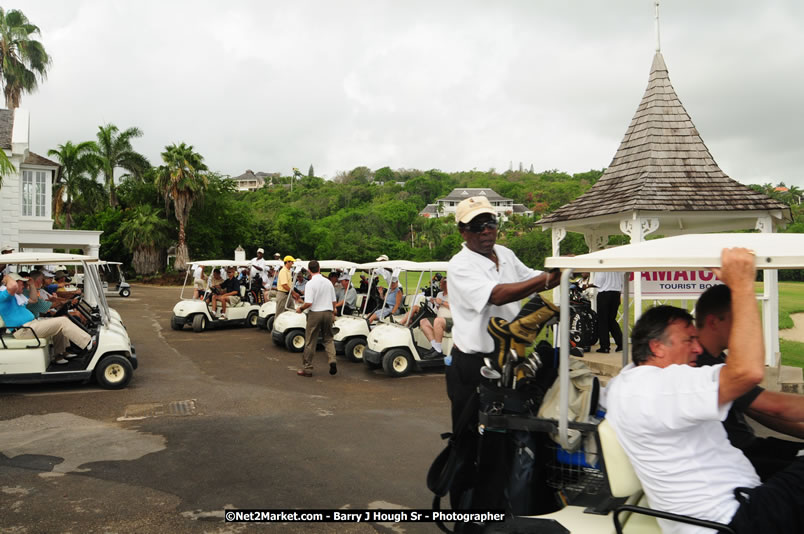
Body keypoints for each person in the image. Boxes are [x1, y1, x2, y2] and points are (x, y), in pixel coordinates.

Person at [606, 248, 804, 534]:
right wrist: (742, 286)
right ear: (656, 347)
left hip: (741, 505)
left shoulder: (631, 383)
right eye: (689, 340)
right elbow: (748, 372)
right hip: (732, 521)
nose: (698, 349)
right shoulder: (656, 388)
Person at [445, 195, 560, 513]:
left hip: (509, 361)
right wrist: (548, 278)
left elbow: (530, 277)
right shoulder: (460, 265)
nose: (486, 230)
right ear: (463, 231)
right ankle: (465, 517)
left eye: (490, 222)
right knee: (469, 443)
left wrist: (560, 271)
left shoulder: (506, 255)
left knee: (507, 440)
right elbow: (497, 296)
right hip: (472, 366)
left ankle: (503, 507)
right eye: (477, 225)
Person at [695, 283, 804, 481]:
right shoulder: (704, 367)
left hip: (751, 447)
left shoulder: (717, 359)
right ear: (713, 322)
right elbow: (774, 407)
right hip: (734, 461)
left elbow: (757, 409)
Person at [0, 273, 93, 365]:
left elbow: (34, 300)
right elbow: (12, 286)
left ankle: (59, 355)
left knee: (60, 322)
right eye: (22, 283)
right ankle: (88, 342)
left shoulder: (17, 297)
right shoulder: (3, 296)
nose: (24, 286)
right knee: (62, 321)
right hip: (24, 330)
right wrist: (7, 277)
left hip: (31, 325)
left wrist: (32, 284)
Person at [295, 260, 337, 378]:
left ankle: (307, 368)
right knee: (328, 338)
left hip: (315, 313)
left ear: (309, 270)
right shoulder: (328, 282)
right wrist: (333, 311)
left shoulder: (310, 284)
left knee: (310, 340)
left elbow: (308, 302)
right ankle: (332, 359)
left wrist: (301, 309)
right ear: (319, 268)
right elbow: (334, 300)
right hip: (328, 312)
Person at [420, 277, 451, 358]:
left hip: (451, 320)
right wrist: (435, 303)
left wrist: (442, 302)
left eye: (441, 283)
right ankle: (436, 348)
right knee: (423, 321)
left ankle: (437, 350)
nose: (439, 284)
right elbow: (438, 308)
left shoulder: (454, 294)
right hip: (440, 319)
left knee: (437, 321)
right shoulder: (439, 294)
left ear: (447, 284)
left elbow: (455, 307)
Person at [593, 270, 624, 353]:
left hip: (604, 294)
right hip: (616, 294)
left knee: (602, 321)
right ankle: (621, 343)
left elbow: (598, 282)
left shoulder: (601, 266)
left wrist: (589, 285)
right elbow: (622, 279)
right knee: (611, 320)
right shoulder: (617, 266)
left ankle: (605, 346)